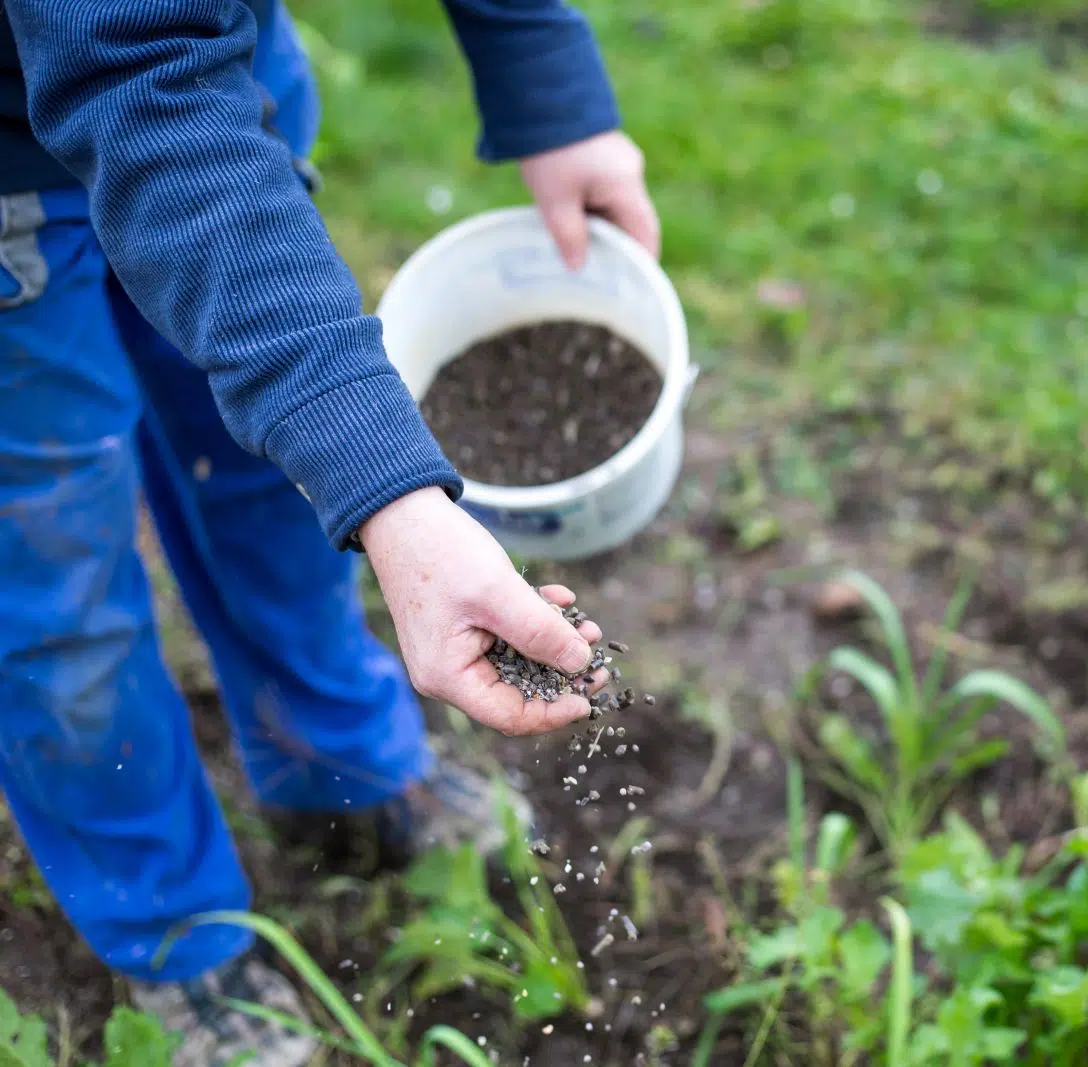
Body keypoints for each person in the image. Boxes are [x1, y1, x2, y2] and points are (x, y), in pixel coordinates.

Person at [0, 1, 660, 1062]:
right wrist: (393, 494)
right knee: (54, 579)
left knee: (271, 473)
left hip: (219, 68)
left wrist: (544, 77)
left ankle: (334, 759)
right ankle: (171, 929)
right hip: (28, 165)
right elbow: (140, 74)